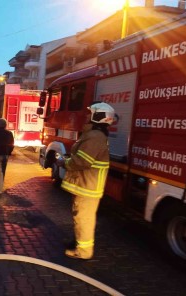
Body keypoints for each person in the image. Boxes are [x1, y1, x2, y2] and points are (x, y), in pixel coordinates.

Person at [56, 102, 115, 260]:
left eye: (91, 113)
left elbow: (82, 161)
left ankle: (83, 251)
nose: (87, 116)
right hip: (86, 184)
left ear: (99, 116)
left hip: (88, 185)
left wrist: (64, 162)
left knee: (84, 218)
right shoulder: (94, 134)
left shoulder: (95, 136)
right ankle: (78, 242)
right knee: (79, 215)